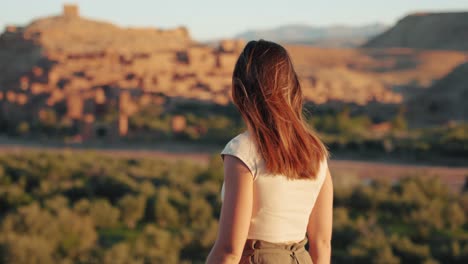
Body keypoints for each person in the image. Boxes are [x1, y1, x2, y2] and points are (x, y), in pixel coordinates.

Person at [206, 40, 333, 264]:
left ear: (238, 90)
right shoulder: (316, 152)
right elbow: (322, 243)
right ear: (292, 87)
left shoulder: (242, 150)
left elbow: (229, 250)